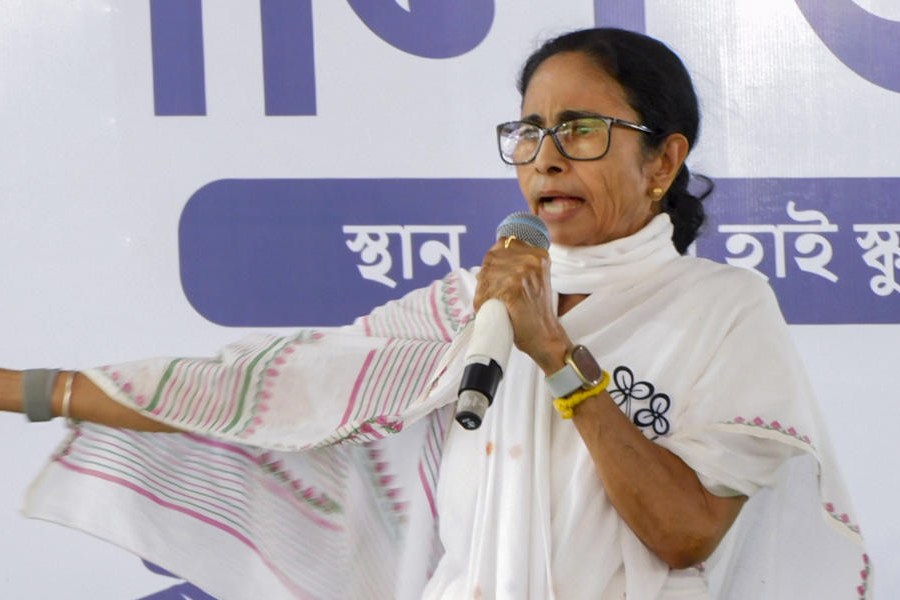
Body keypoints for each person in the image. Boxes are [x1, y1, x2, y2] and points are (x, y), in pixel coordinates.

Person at [0, 28, 869, 599]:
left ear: (662, 161)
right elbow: (263, 391)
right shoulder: (471, 305)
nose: (545, 157)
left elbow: (684, 535)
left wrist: (558, 357)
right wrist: (32, 390)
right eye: (528, 133)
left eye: (581, 129)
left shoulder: (720, 307)